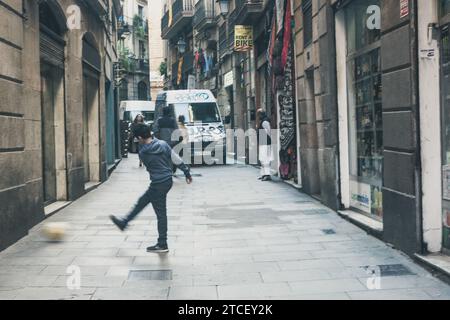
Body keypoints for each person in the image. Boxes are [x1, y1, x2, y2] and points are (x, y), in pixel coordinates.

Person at [110, 123, 192, 253]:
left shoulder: (143, 152)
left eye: (137, 138)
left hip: (158, 184)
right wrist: (186, 172)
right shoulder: (163, 145)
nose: (137, 140)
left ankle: (162, 243)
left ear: (141, 137)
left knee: (159, 213)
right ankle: (124, 222)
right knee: (142, 203)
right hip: (166, 181)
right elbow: (176, 159)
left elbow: (146, 152)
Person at [257, 109, 273, 181]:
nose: (258, 116)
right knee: (262, 159)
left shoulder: (265, 121)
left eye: (259, 114)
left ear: (261, 114)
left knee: (265, 159)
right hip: (263, 142)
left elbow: (269, 132)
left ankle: (267, 175)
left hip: (266, 143)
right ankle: (263, 174)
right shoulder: (262, 121)